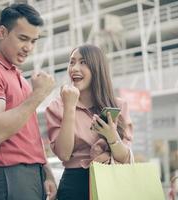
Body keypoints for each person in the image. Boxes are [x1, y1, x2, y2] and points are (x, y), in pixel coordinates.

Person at [0, 3, 57, 200]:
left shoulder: (17, 76)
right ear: (2, 32)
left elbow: (28, 134)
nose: (29, 48)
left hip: (31, 174)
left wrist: (46, 171)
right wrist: (38, 95)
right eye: (23, 38)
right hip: (9, 175)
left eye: (34, 41)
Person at [45, 44, 134, 200]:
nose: (74, 68)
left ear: (97, 68)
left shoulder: (118, 106)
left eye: (83, 62)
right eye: (72, 62)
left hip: (111, 182)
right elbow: (64, 154)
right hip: (75, 186)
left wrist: (111, 135)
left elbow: (125, 158)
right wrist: (70, 107)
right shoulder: (58, 106)